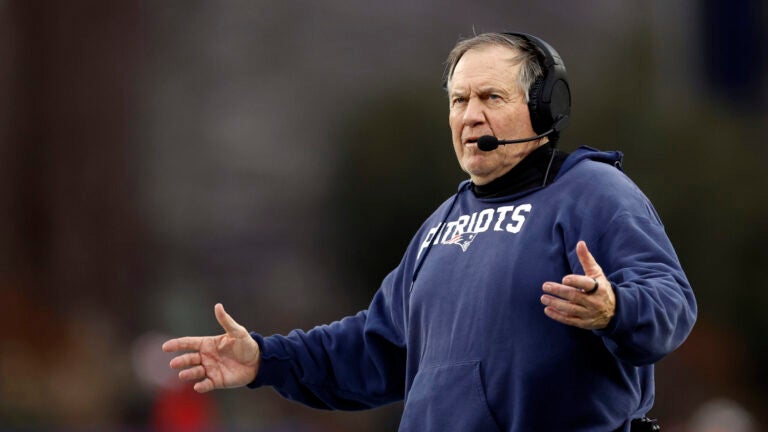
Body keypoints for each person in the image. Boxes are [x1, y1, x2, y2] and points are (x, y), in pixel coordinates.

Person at [162, 32, 697, 431]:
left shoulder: (594, 192)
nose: (470, 116)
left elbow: (672, 301)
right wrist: (266, 359)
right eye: (459, 100)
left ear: (543, 108)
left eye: (491, 97)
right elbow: (374, 349)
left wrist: (615, 309)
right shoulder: (441, 224)